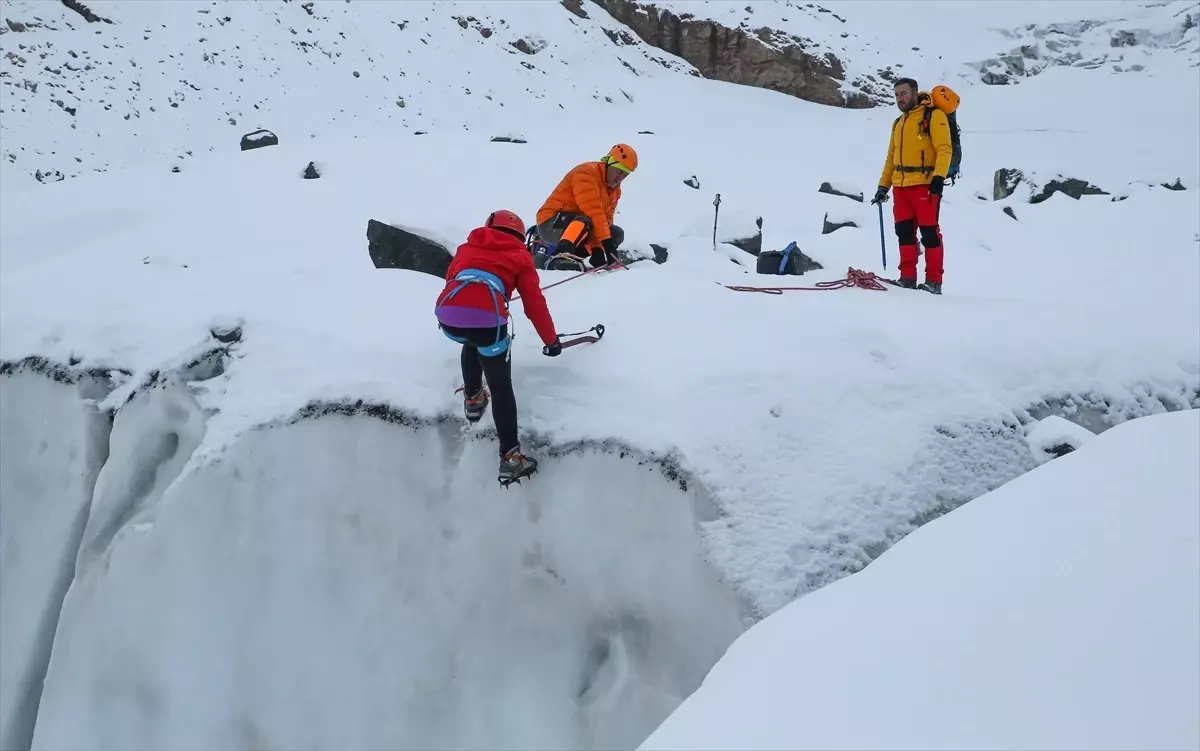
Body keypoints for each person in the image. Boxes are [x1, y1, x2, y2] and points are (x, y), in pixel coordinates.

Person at [434, 209, 563, 486]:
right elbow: (534, 306)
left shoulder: (466, 248)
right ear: (519, 236)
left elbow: (452, 281)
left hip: (448, 317)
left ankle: (473, 400)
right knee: (501, 385)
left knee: (472, 338)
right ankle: (511, 458)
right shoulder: (521, 257)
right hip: (487, 321)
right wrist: (551, 341)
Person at [872, 77, 952, 294]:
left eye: (904, 93)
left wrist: (938, 178)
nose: (900, 98)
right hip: (900, 187)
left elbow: (944, 148)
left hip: (925, 186)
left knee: (929, 235)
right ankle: (907, 278)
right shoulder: (898, 123)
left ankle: (934, 282)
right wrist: (883, 186)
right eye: (897, 94)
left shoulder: (934, 116)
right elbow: (891, 157)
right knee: (904, 233)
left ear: (915, 93)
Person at [534, 143, 637, 271]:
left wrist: (597, 249)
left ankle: (575, 257)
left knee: (614, 232)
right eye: (619, 171)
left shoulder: (615, 191)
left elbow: (603, 221)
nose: (620, 178)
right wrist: (606, 243)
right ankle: (562, 256)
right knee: (588, 222)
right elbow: (592, 212)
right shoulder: (586, 173)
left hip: (579, 225)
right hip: (551, 223)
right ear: (609, 163)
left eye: (625, 175)